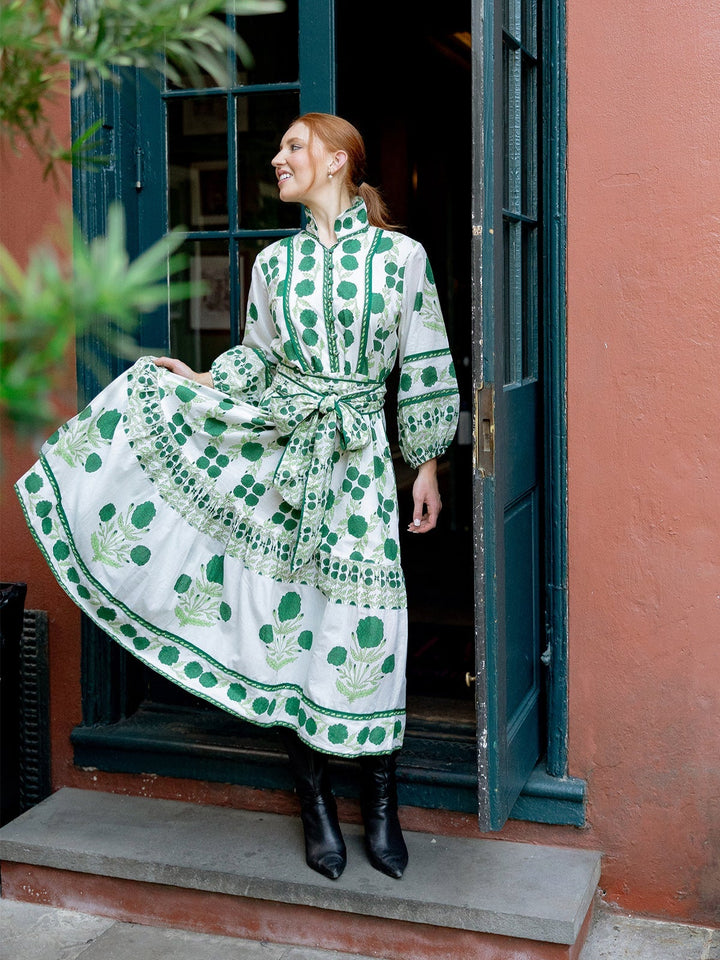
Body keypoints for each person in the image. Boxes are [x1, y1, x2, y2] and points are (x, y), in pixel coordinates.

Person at [16, 113, 459, 882]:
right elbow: (255, 362)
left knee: (372, 627)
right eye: (281, 148)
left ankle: (381, 801)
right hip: (284, 453)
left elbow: (424, 358)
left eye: (294, 147)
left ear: (337, 160)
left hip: (358, 460)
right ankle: (315, 798)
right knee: (292, 622)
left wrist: (424, 464)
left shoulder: (403, 259)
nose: (280, 159)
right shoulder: (275, 265)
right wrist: (197, 381)